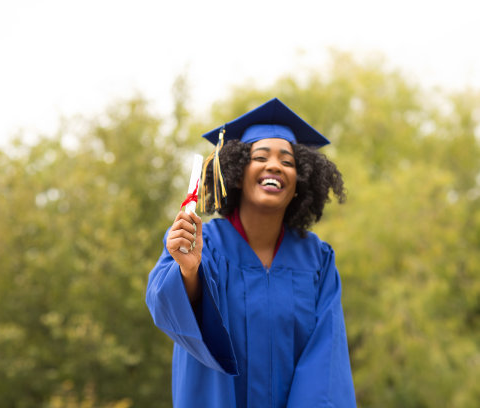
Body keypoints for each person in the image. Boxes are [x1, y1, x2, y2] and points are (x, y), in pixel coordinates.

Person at [146, 98, 356, 407]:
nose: (274, 165)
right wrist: (189, 271)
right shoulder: (200, 244)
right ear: (237, 173)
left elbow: (326, 362)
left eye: (288, 161)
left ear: (299, 182)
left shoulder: (317, 260)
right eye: (260, 157)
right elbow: (165, 307)